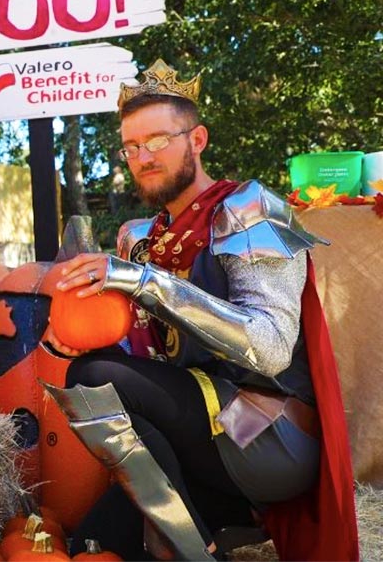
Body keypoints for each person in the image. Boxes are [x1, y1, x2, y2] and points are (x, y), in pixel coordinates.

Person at [44, 60, 358, 561]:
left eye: (158, 140)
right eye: (130, 147)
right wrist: (73, 332)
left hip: (266, 433)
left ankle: (187, 545)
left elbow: (272, 348)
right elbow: (144, 356)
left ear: (198, 139)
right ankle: (205, 526)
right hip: (194, 439)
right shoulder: (140, 237)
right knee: (94, 544)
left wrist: (142, 281)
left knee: (92, 375)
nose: (142, 157)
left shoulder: (249, 209)